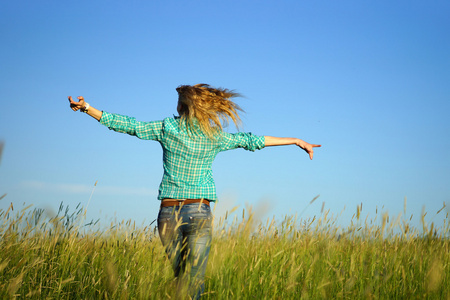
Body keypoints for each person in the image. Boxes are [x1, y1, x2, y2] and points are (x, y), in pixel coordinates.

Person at [68, 84, 321, 299]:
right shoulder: (214, 136)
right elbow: (251, 140)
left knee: (182, 280)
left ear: (183, 107)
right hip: (199, 211)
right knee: (193, 281)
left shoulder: (168, 127)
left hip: (168, 213)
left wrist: (88, 108)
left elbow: (130, 125)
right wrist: (296, 140)